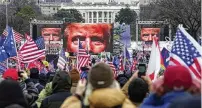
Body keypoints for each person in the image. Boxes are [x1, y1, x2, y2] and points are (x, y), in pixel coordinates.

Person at [61, 62, 136, 108]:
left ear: (89, 85)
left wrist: (77, 95)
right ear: (114, 83)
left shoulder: (77, 105)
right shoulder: (126, 105)